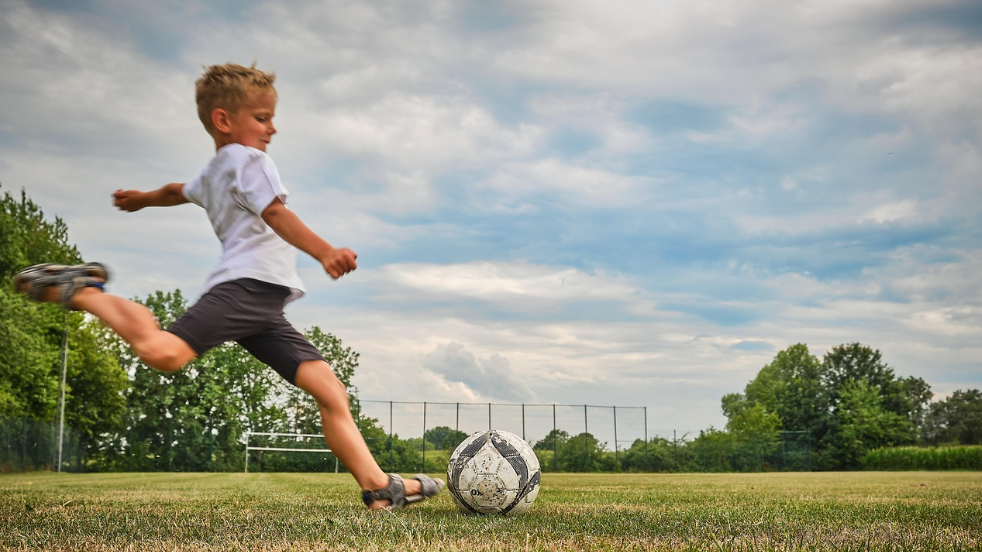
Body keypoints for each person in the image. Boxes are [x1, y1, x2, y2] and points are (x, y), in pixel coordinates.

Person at [12, 63, 442, 510]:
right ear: (223, 120)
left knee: (330, 390)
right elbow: (276, 214)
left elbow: (178, 190)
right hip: (245, 289)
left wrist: (141, 199)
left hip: (263, 305)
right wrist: (325, 252)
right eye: (261, 118)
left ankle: (380, 489)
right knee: (164, 352)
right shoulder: (249, 160)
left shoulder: (216, 170)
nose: (272, 129)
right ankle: (83, 289)